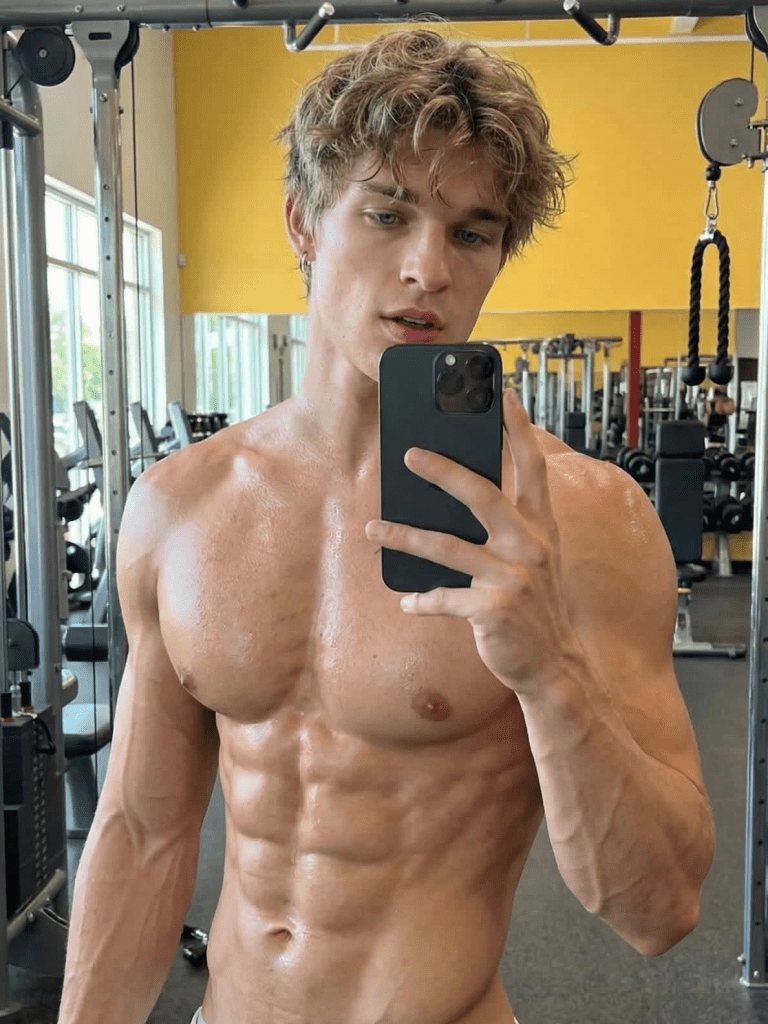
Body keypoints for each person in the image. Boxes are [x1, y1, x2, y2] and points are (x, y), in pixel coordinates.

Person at [57, 28, 715, 1024]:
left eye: (472, 233)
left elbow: (658, 909)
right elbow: (143, 837)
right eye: (387, 213)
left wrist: (549, 672)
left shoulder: (586, 521)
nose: (427, 269)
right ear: (303, 221)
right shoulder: (179, 506)